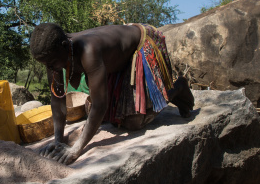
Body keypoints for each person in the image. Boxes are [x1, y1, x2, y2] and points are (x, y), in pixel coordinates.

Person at [29, 22, 194, 164]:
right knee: (108, 119)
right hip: (115, 60)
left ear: (64, 47)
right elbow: (58, 100)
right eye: (45, 64)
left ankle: (178, 88)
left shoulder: (88, 50)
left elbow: (100, 105)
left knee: (133, 123)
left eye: (51, 63)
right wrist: (58, 141)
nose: (49, 68)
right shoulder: (53, 56)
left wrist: (76, 149)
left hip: (140, 43)